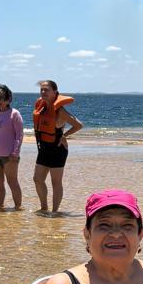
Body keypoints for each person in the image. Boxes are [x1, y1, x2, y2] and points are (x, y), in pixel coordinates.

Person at [32, 80, 82, 215]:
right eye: (41, 90)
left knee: (56, 182)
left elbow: (78, 125)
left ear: (55, 92)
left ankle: (55, 211)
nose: (43, 92)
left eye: (46, 90)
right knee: (37, 179)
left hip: (57, 149)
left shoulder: (60, 111)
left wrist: (65, 135)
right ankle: (44, 207)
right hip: (43, 149)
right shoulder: (41, 107)